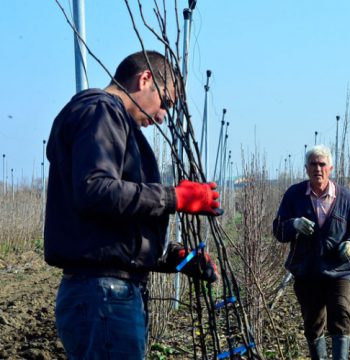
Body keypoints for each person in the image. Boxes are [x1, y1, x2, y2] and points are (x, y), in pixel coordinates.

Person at [44, 50, 220, 359]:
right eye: (165, 102)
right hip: (105, 298)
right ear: (145, 79)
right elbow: (96, 190)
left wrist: (178, 258)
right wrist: (174, 198)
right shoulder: (101, 112)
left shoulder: (108, 119)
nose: (163, 115)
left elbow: (108, 233)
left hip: (107, 295)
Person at [273, 144, 350, 360]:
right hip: (307, 271)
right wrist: (293, 224)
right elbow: (278, 229)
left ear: (330, 168)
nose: (318, 168)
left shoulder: (345, 197)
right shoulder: (294, 195)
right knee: (312, 323)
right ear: (306, 168)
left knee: (341, 314)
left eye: (322, 164)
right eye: (313, 164)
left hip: (338, 271)